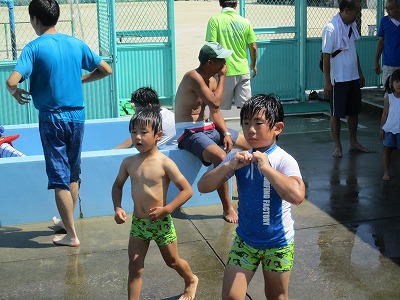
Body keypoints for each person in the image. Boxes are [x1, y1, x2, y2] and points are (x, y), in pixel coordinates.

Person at [5, 0, 112, 247]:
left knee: (59, 176)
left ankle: (72, 236)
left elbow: (12, 81)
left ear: (35, 20)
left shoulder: (33, 48)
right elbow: (105, 69)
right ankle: (66, 224)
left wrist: (15, 92)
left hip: (52, 119)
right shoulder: (75, 43)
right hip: (77, 117)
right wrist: (81, 80)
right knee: (73, 173)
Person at [197, 94, 305, 300]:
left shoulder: (283, 160)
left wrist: (266, 168)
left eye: (258, 123)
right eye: (246, 123)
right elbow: (203, 186)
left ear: (277, 128)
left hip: (278, 243)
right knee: (231, 296)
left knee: (277, 296)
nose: (251, 129)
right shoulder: (237, 158)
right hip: (245, 241)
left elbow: (297, 196)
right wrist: (229, 167)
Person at [112, 108, 198, 300]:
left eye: (143, 132)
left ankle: (191, 279)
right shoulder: (128, 162)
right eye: (133, 132)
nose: (137, 137)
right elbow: (117, 186)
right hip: (139, 224)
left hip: (161, 223)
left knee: (173, 261)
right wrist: (117, 207)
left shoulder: (164, 163)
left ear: (158, 135)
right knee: (135, 267)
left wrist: (167, 209)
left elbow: (187, 190)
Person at [174, 42, 251, 223]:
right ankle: (227, 207)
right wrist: (223, 77)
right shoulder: (193, 77)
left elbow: (215, 112)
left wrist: (225, 133)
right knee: (221, 156)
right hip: (188, 132)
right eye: (221, 60)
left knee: (250, 143)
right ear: (210, 62)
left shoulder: (212, 79)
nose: (224, 64)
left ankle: (248, 188)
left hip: (207, 127)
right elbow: (215, 102)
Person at [322, 0, 369, 158]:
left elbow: (352, 51)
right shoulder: (331, 28)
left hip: (353, 77)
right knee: (336, 113)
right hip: (338, 79)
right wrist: (327, 81)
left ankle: (353, 142)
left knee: (354, 112)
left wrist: (360, 73)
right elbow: (326, 56)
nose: (357, 15)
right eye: (355, 12)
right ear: (346, 11)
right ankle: (337, 146)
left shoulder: (351, 26)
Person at [205, 0, 257, 110]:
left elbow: (211, 47)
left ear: (220, 3)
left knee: (218, 108)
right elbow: (253, 46)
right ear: (236, 4)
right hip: (243, 70)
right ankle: (245, 127)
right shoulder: (245, 22)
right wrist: (253, 64)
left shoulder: (215, 20)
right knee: (246, 109)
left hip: (223, 71)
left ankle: (219, 128)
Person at [374, 0, 400, 88]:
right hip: (388, 65)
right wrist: (376, 61)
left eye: (391, 8)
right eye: (386, 8)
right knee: (388, 95)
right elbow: (381, 42)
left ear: (398, 8)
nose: (388, 11)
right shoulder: (384, 21)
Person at [379, 69, 400, 181]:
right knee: (387, 150)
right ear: (392, 83)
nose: (399, 84)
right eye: (397, 81)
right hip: (390, 129)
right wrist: (382, 129)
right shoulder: (389, 98)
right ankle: (386, 172)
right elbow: (384, 115)